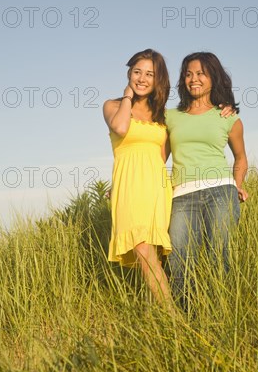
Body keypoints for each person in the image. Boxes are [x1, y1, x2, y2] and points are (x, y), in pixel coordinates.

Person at [165, 52, 248, 309]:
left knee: (219, 258)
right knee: (179, 261)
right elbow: (156, 159)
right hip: (182, 196)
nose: (194, 79)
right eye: (189, 74)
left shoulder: (228, 117)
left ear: (213, 77)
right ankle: (185, 321)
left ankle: (220, 314)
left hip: (220, 192)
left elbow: (241, 158)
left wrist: (237, 184)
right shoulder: (170, 116)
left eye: (201, 73)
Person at [103, 48, 175, 312]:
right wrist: (127, 96)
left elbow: (160, 157)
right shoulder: (113, 106)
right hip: (129, 188)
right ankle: (173, 318)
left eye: (149, 74)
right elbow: (121, 128)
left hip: (156, 188)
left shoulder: (163, 116)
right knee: (143, 250)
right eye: (137, 72)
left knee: (154, 255)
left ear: (158, 80)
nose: (142, 78)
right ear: (129, 74)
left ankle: (161, 311)